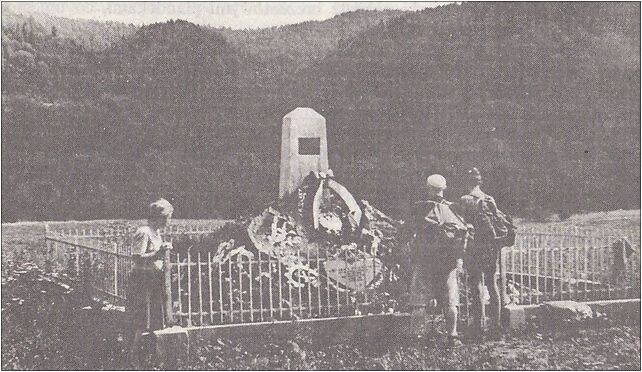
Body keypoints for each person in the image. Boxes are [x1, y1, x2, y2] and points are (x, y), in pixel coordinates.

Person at [408, 174, 472, 346]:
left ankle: (417, 338)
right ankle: (453, 336)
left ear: (428, 188)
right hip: (447, 262)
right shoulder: (453, 209)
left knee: (419, 302)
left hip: (424, 260)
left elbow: (409, 232)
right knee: (450, 299)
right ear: (444, 189)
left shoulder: (420, 208)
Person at [459, 168, 510, 340]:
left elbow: (462, 224)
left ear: (467, 182)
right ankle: (496, 327)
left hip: (475, 248)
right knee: (492, 284)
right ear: (480, 182)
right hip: (491, 247)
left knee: (476, 286)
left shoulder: (465, 200)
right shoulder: (489, 199)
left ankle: (479, 327)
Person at [128, 198, 174, 368]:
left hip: (154, 279)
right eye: (168, 217)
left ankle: (149, 358)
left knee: (154, 318)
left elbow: (155, 254)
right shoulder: (144, 232)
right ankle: (132, 357)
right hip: (142, 279)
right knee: (141, 319)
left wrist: (162, 250)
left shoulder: (156, 232)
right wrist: (158, 253)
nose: (169, 221)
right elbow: (137, 258)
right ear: (159, 216)